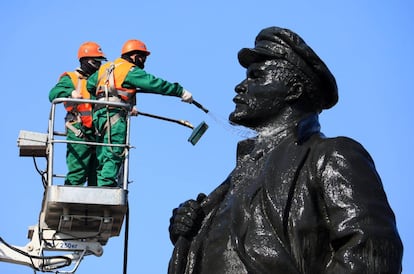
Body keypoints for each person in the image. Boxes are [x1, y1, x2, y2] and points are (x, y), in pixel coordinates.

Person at [168, 27, 403, 274]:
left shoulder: (331, 155)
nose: (240, 86)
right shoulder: (238, 177)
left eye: (256, 76)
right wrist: (191, 231)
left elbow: (370, 253)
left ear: (294, 90)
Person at [87, 39, 193, 187]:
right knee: (114, 152)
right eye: (143, 57)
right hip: (114, 116)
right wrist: (179, 91)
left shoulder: (106, 67)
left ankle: (99, 187)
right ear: (134, 56)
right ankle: (105, 188)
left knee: (103, 153)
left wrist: (114, 96)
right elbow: (154, 83)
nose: (144, 61)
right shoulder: (130, 71)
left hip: (100, 115)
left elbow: (90, 84)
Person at [49, 41, 107, 186]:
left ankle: (96, 204)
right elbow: (53, 94)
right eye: (95, 61)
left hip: (98, 132)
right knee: (77, 172)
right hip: (78, 131)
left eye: (100, 61)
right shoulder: (71, 78)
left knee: (98, 174)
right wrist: (71, 92)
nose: (98, 65)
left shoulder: (100, 81)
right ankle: (69, 201)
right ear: (85, 60)